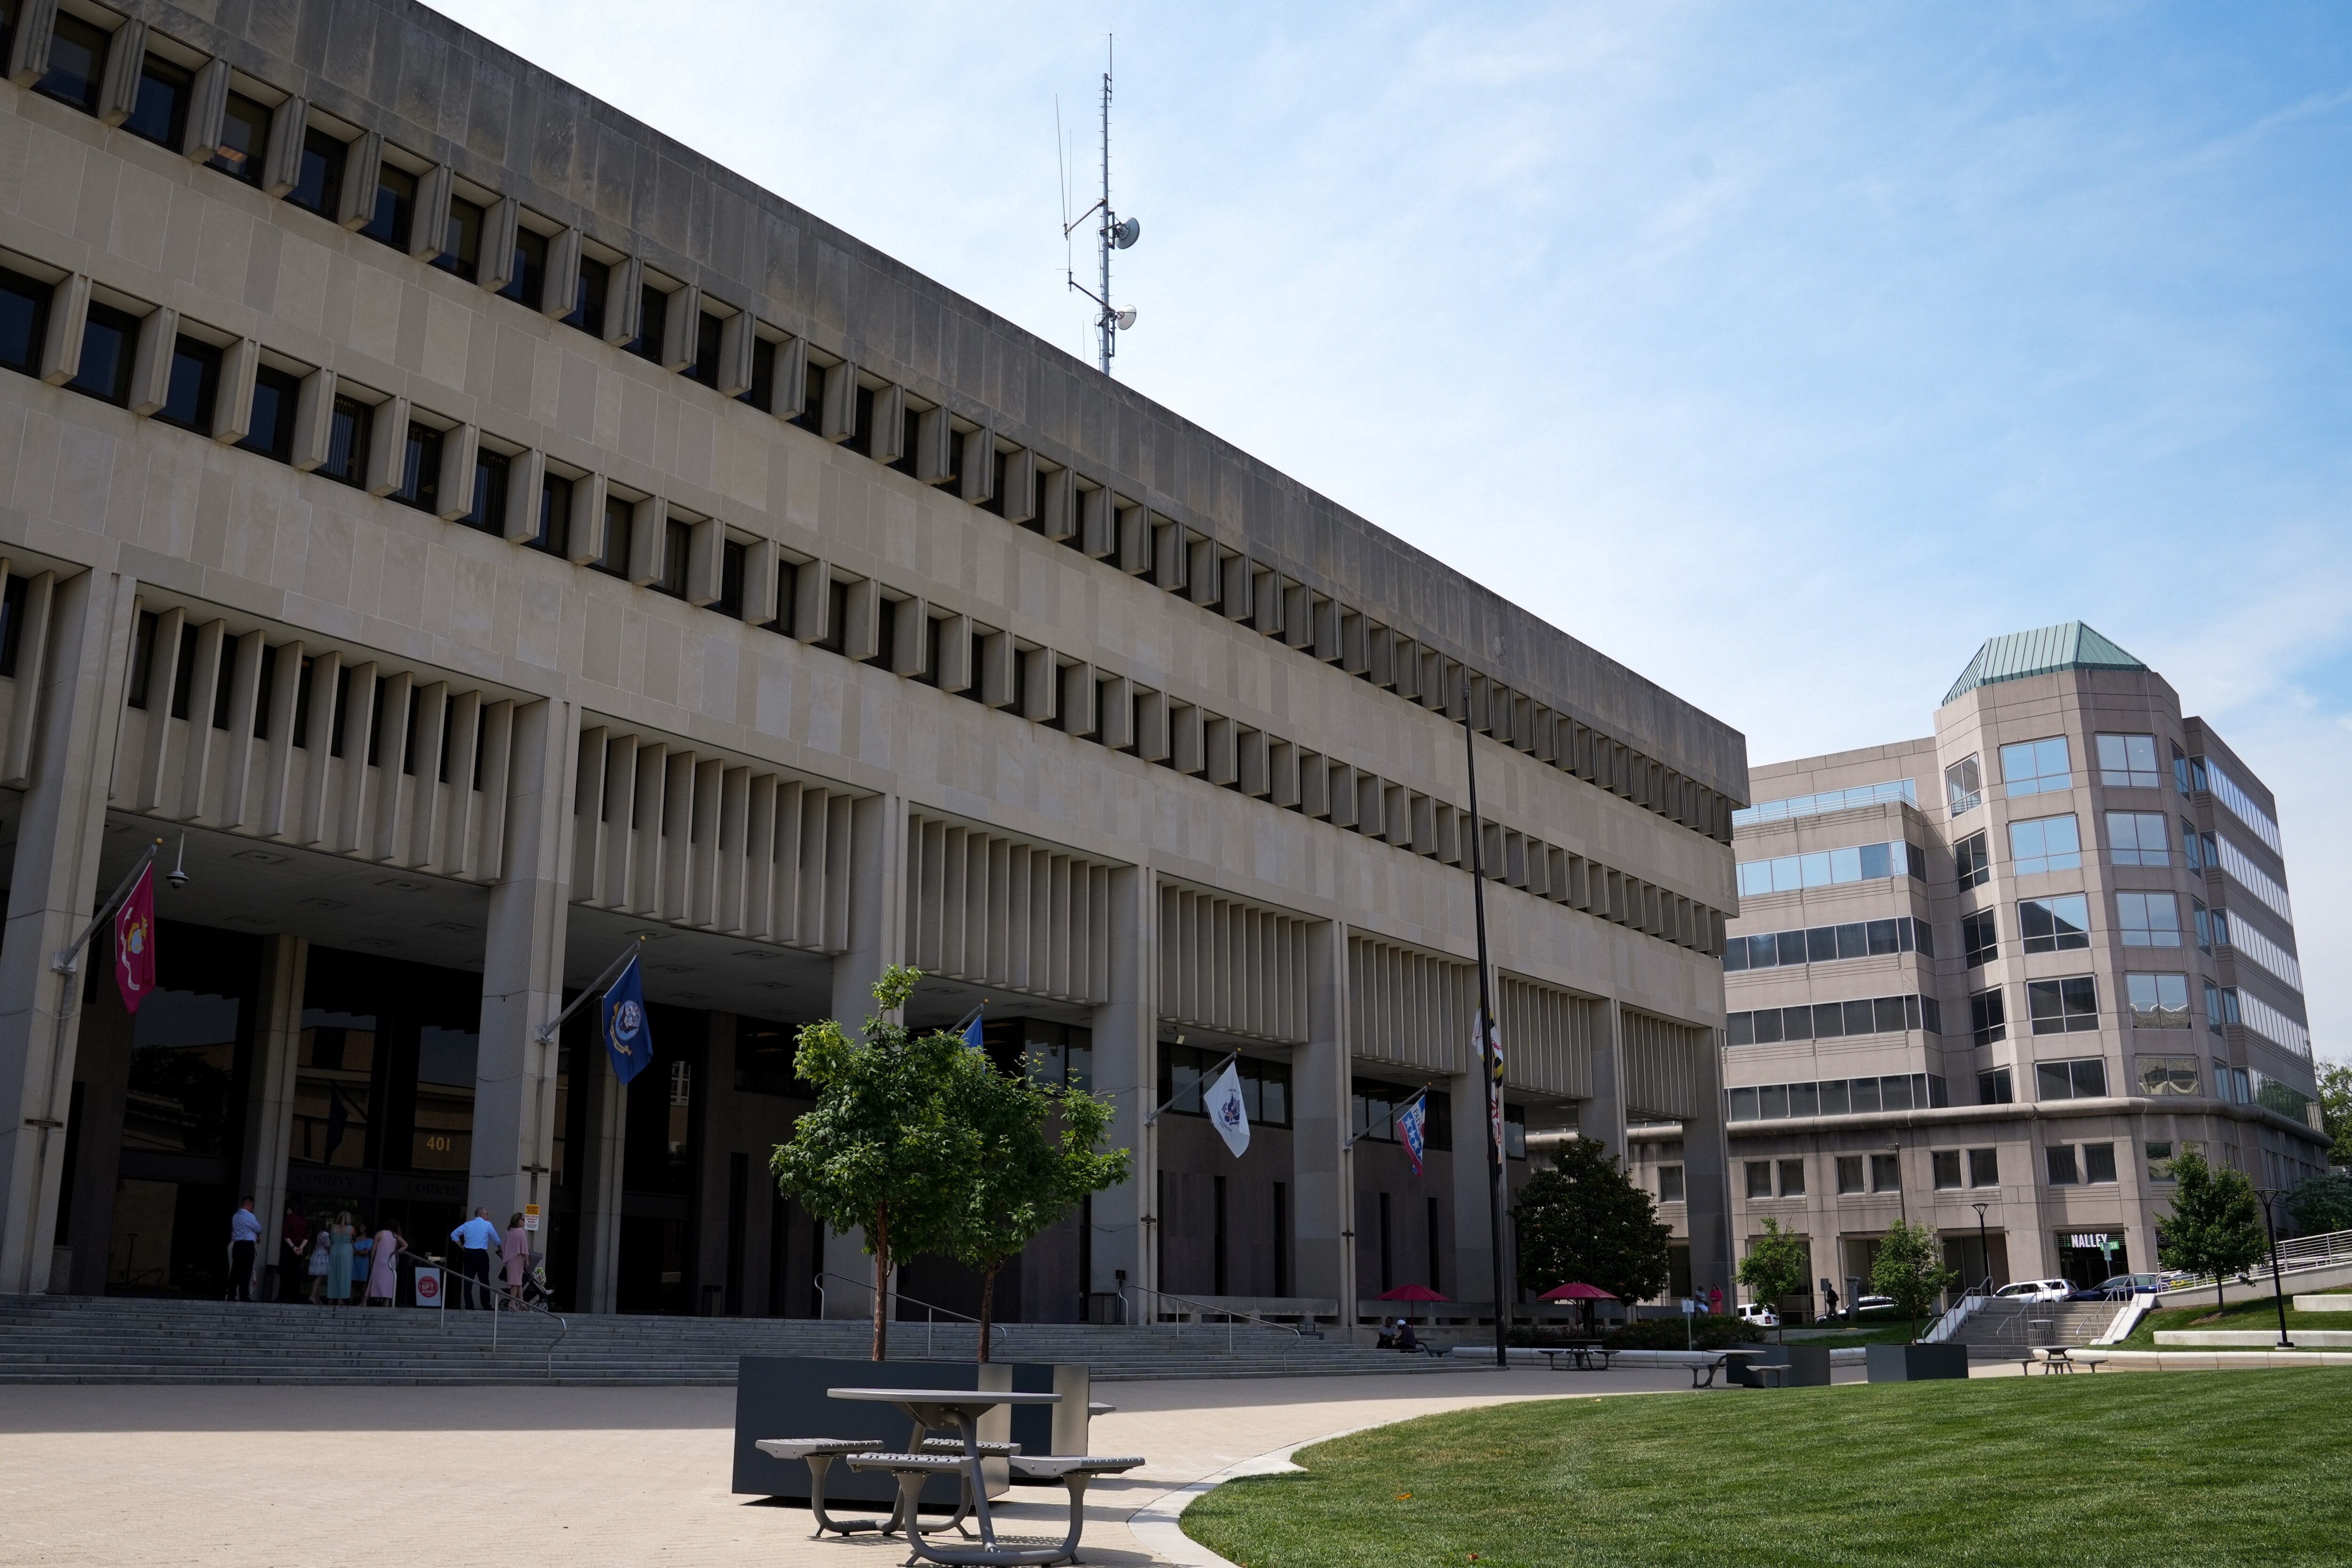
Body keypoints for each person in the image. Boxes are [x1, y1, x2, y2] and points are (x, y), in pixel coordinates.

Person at [450, 1208, 501, 1310]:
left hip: (468, 1253)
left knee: (468, 1279)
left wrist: (461, 1246)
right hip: (481, 1254)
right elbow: (496, 1239)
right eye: (487, 1214)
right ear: (482, 1215)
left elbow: (454, 1234)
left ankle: (469, 1305)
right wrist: (501, 1249)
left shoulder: (467, 1225)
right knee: (484, 1280)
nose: (488, 1215)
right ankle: (486, 1305)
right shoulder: (487, 1225)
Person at [226, 1198, 262, 1302]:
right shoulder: (249, 1216)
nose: (252, 1208)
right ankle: (243, 1296)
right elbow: (259, 1228)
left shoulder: (236, 1216)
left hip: (237, 1245)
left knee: (235, 1271)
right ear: (250, 1205)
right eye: (253, 1206)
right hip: (247, 1246)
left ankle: (231, 1295)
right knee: (246, 1271)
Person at [366, 1221, 403, 1307]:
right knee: (389, 1281)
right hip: (391, 1259)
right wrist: (396, 1252)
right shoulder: (396, 1235)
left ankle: (365, 1300)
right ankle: (387, 1301)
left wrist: (371, 1261)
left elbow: (374, 1248)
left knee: (374, 1279)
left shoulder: (380, 1233)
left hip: (380, 1259)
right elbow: (406, 1245)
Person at [278, 1204, 309, 1302]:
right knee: (296, 1273)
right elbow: (306, 1237)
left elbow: (286, 1236)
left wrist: (293, 1247)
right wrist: (300, 1248)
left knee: (285, 1273)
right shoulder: (303, 1222)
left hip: (289, 1248)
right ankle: (295, 1296)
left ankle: (283, 1296)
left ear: (289, 1210)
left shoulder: (288, 1220)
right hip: (299, 1248)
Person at [326, 1212, 356, 1307]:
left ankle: (331, 1297)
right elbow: (354, 1238)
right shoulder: (351, 1229)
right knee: (345, 1274)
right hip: (346, 1250)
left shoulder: (333, 1227)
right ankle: (341, 1298)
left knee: (333, 1273)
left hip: (335, 1249)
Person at [502, 1213, 531, 1310]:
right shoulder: (521, 1232)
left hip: (510, 1259)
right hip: (518, 1259)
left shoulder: (509, 1231)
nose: (524, 1221)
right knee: (515, 1282)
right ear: (517, 1221)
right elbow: (524, 1248)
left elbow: (505, 1246)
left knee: (518, 1282)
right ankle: (512, 1302)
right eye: (522, 1219)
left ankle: (521, 1303)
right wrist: (527, 1260)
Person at [305, 1214, 330, 1303]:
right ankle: (313, 1296)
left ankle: (316, 1297)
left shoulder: (316, 1234)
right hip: (322, 1255)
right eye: (327, 1221)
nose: (328, 1223)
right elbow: (328, 1246)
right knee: (320, 1276)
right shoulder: (324, 1234)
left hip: (316, 1254)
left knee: (317, 1276)